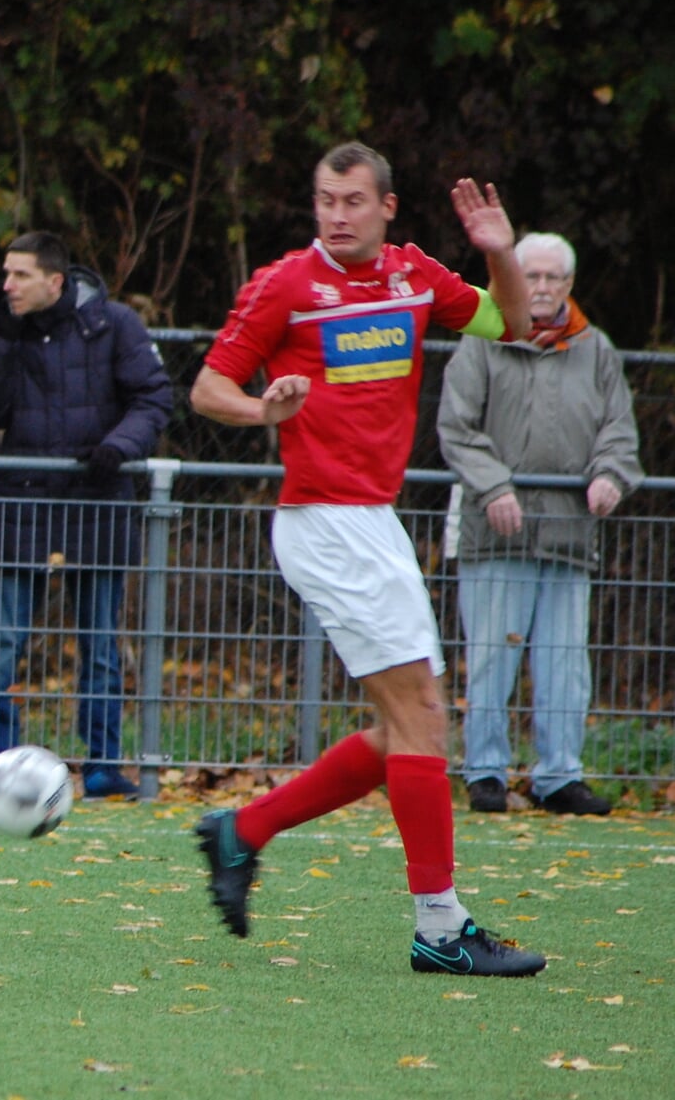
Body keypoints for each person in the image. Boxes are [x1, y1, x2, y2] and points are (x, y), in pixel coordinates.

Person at [189, 141, 545, 977]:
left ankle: (242, 831)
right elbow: (208, 387)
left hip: (371, 523)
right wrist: (261, 409)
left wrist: (497, 248)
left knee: (402, 731)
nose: (335, 215)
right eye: (324, 200)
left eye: (352, 201)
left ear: (386, 207)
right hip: (323, 520)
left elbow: (514, 324)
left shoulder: (414, 275)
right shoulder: (285, 284)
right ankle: (439, 926)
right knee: (423, 714)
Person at [437, 232, 642, 816]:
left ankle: (559, 778)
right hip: (496, 533)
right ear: (513, 281)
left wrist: (611, 474)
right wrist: (494, 486)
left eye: (555, 277)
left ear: (570, 285)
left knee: (563, 663)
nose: (544, 287)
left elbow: (619, 432)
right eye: (533, 276)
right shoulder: (481, 342)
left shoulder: (596, 349)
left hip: (570, 536)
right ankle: (486, 775)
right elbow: (456, 427)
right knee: (492, 659)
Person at [0, 232, 172, 798]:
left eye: (19, 275)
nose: (6, 285)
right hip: (22, 502)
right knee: (4, 643)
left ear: (55, 281)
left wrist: (116, 449)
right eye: (5, 273)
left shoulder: (116, 325)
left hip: (96, 499)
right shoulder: (4, 328)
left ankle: (103, 765)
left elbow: (154, 399)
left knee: (101, 644)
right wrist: (3, 343)